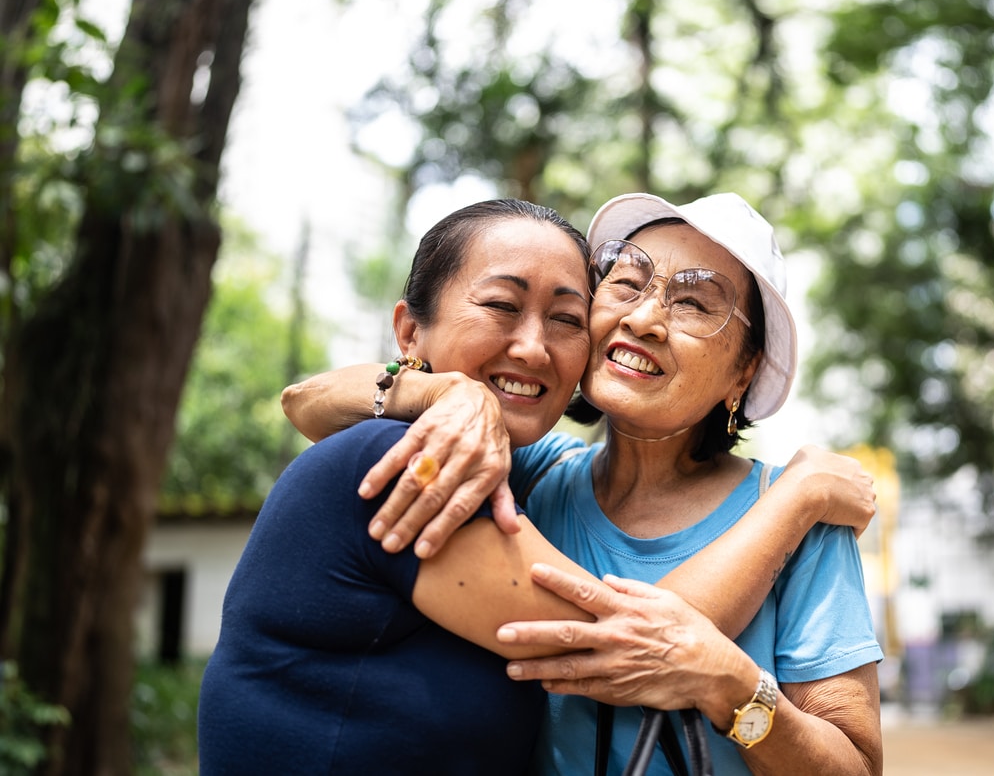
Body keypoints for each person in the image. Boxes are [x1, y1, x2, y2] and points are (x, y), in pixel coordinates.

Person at [201, 197, 877, 775]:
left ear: (743, 375)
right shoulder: (512, 468)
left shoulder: (801, 529)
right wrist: (444, 391)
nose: (645, 318)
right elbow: (307, 402)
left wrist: (737, 690)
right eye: (627, 283)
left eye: (695, 302)